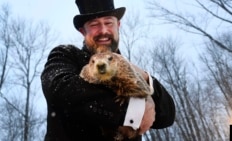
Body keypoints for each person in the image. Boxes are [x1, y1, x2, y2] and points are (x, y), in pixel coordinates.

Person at [41, 0, 175, 141]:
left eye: (109, 22)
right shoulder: (66, 55)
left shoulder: (131, 70)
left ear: (118, 25)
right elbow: (59, 88)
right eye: (94, 24)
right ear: (82, 31)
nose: (103, 30)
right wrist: (134, 111)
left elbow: (166, 116)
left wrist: (145, 78)